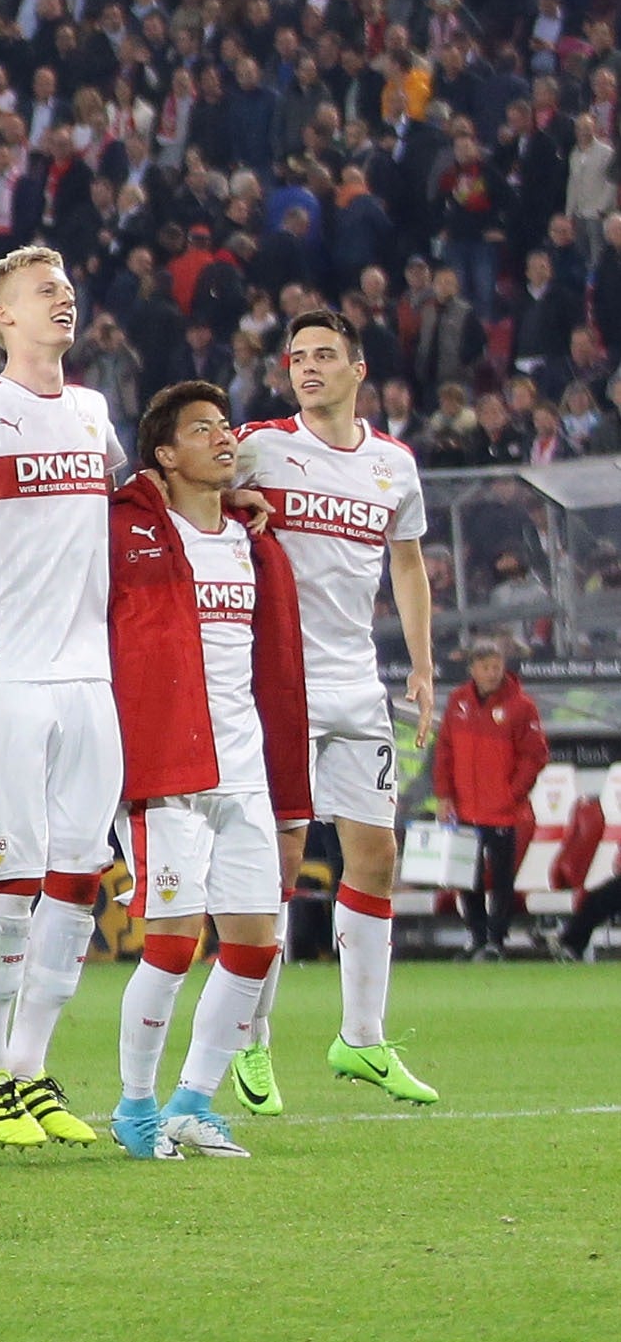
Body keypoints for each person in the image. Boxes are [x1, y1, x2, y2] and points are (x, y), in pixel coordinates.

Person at [0, 245, 123, 1151]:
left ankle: (32, 1067)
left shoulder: (92, 414)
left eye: (69, 289)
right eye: (45, 291)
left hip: (89, 676)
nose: (64, 300)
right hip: (1, 672)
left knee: (79, 876)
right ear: (0, 316)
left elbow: (134, 502)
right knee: (13, 869)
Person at [231, 310, 444, 1107]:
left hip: (358, 683)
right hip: (278, 684)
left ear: (359, 369)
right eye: (298, 358)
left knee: (376, 857)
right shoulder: (259, 446)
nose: (308, 367)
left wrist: (423, 666)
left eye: (325, 355)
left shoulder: (393, 464)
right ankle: (251, 1042)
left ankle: (361, 1040)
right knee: (278, 865)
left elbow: (410, 562)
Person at [101, 380, 312, 1161]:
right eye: (202, 430)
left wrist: (291, 801)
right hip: (167, 768)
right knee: (172, 942)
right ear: (164, 454)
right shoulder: (130, 534)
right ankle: (134, 1108)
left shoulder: (255, 542)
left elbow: (280, 674)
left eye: (227, 427)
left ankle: (193, 1101)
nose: (225, 438)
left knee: (257, 945)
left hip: (246, 770)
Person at [430, 643, 548, 960]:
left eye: (496, 666)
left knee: (502, 878)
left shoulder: (521, 706)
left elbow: (535, 756)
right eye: (485, 667)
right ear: (472, 669)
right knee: (466, 876)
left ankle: (497, 940)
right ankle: (477, 938)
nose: (492, 673)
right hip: (465, 808)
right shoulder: (458, 702)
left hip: (504, 813)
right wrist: (444, 796)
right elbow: (444, 752)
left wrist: (511, 794)